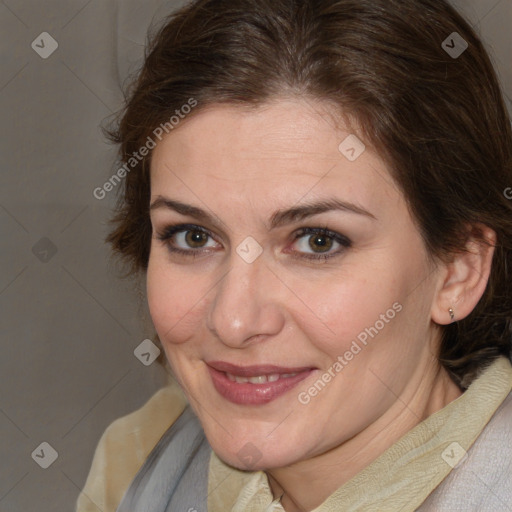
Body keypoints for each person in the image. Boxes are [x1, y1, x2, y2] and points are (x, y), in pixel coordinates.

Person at [76, 0, 512, 510]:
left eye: (317, 241)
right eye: (193, 236)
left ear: (458, 271)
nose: (234, 321)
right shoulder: (136, 460)